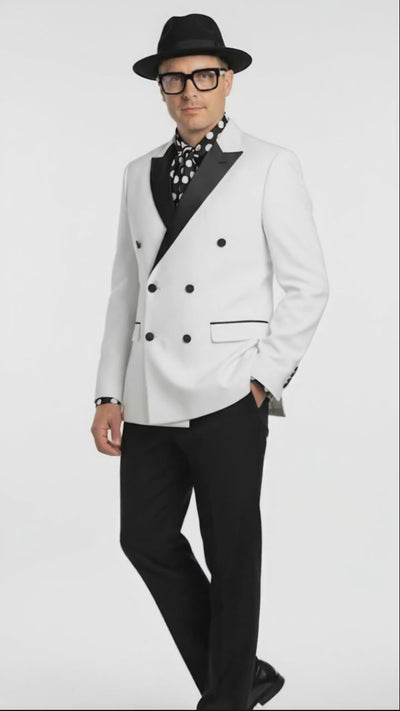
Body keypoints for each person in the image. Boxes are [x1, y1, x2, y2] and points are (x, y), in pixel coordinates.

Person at [90, 13, 329, 710]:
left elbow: (308, 285)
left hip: (227, 392)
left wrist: (263, 378)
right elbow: (127, 289)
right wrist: (107, 392)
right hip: (148, 394)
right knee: (145, 538)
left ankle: (225, 698)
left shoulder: (269, 165)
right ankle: (242, 675)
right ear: (160, 88)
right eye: (175, 79)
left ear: (228, 82)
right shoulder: (137, 172)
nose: (189, 90)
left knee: (231, 553)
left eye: (204, 76)